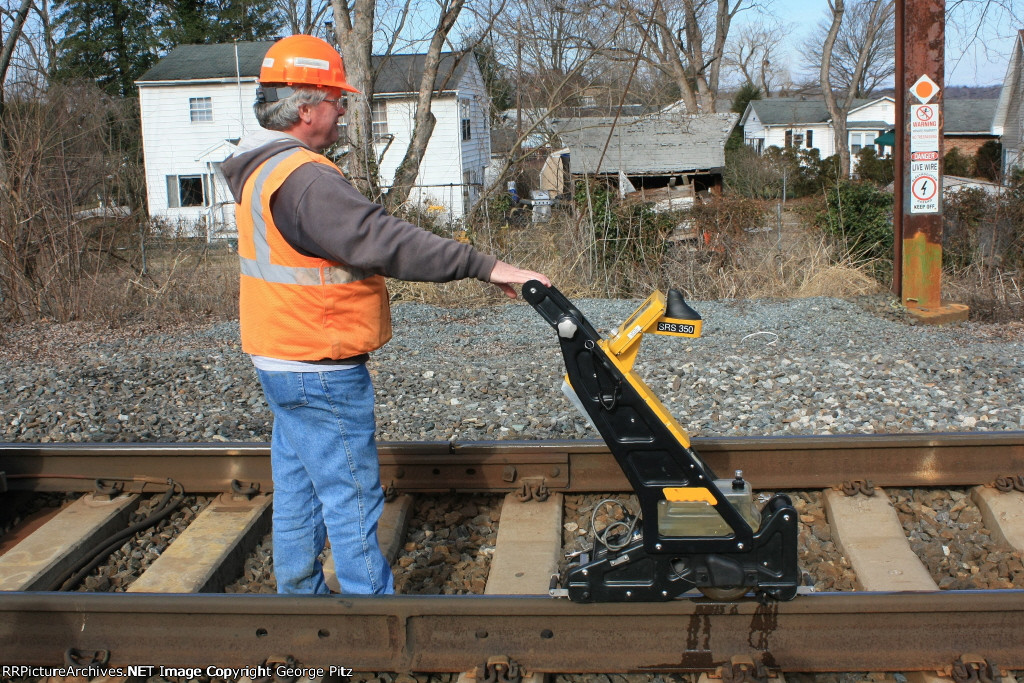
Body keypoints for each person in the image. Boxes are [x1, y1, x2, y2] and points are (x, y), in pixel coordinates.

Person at [220, 34, 550, 595]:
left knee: (298, 486)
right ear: (305, 108)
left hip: (280, 354)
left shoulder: (261, 170)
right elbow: (386, 241)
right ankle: (372, 614)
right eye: (336, 99)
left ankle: (299, 597)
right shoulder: (304, 180)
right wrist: (488, 267)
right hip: (320, 360)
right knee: (351, 492)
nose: (345, 109)